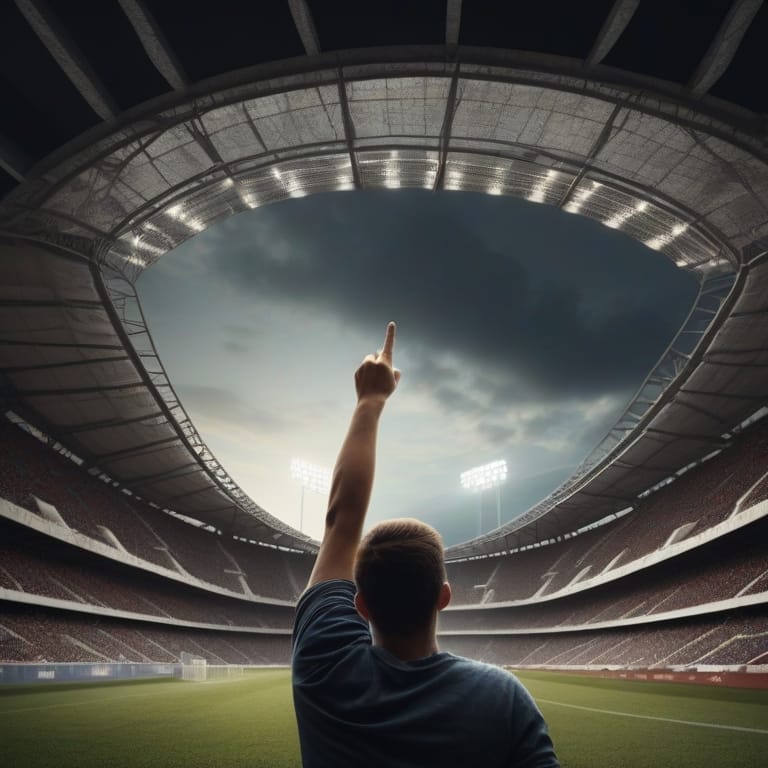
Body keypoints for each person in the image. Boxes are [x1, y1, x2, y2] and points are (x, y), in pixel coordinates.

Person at [292, 322, 559, 768]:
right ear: (444, 596)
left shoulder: (323, 668)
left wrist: (369, 403)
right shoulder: (503, 698)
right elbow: (344, 524)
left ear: (361, 605)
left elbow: (341, 522)